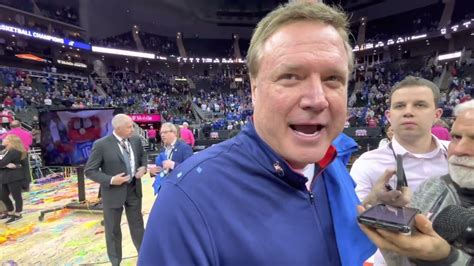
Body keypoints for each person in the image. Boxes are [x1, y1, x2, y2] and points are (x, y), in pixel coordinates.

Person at [139, 2, 375, 265]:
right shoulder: (187, 200)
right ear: (254, 90)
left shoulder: (333, 165)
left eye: (333, 78)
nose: (317, 99)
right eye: (291, 76)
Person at [359, 99, 474, 265]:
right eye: (456, 137)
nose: (459, 149)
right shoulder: (433, 186)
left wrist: (447, 258)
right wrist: (384, 212)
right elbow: (401, 259)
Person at [351, 76, 450, 265]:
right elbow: (352, 224)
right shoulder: (368, 163)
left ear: (437, 115)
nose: (408, 112)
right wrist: (375, 201)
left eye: (419, 105)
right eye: (400, 106)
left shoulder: (457, 155)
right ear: (389, 116)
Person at [84, 114, 147, 266]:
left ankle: (145, 258)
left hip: (133, 190)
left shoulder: (136, 140)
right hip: (113, 193)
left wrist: (143, 168)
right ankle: (115, 262)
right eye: (129, 127)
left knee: (138, 227)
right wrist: (112, 180)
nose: (133, 129)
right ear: (118, 128)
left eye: (132, 126)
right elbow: (90, 170)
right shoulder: (101, 144)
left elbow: (142, 157)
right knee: (112, 230)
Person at [0, 135, 27, 224]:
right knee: (3, 196)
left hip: (14, 177)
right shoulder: (5, 151)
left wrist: (4, 164)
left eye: (5, 139)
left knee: (16, 196)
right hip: (5, 176)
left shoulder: (14, 152)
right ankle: (10, 211)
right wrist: (6, 164)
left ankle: (18, 214)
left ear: (10, 141)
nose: (3, 139)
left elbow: (2, 163)